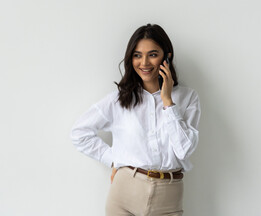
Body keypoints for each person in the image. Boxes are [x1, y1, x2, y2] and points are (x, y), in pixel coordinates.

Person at [70, 23, 201, 216]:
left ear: (167, 56)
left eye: (153, 54)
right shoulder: (118, 100)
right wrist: (114, 161)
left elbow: (184, 151)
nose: (144, 63)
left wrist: (167, 103)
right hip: (124, 194)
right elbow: (79, 133)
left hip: (168, 197)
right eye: (137, 55)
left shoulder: (188, 98)